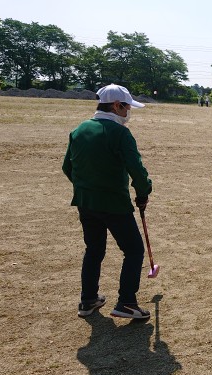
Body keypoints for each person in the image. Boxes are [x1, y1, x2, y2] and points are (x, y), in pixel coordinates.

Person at [62, 84, 153, 319]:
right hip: (114, 203)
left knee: (94, 249)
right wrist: (143, 193)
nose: (128, 112)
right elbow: (137, 170)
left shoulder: (79, 129)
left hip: (85, 201)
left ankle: (88, 300)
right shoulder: (120, 133)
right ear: (116, 106)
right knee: (133, 249)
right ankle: (126, 302)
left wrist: (86, 186)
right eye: (127, 107)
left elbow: (67, 167)